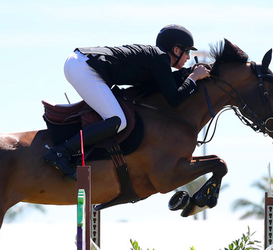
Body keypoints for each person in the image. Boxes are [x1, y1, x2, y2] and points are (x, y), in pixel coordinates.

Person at [44, 24, 211, 180]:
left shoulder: (158, 58)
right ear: (176, 50)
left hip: (80, 63)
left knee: (117, 118)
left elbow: (163, 86)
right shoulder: (160, 59)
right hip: (83, 67)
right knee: (118, 120)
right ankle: (60, 153)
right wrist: (194, 78)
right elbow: (174, 100)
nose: (188, 57)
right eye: (187, 52)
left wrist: (190, 74)